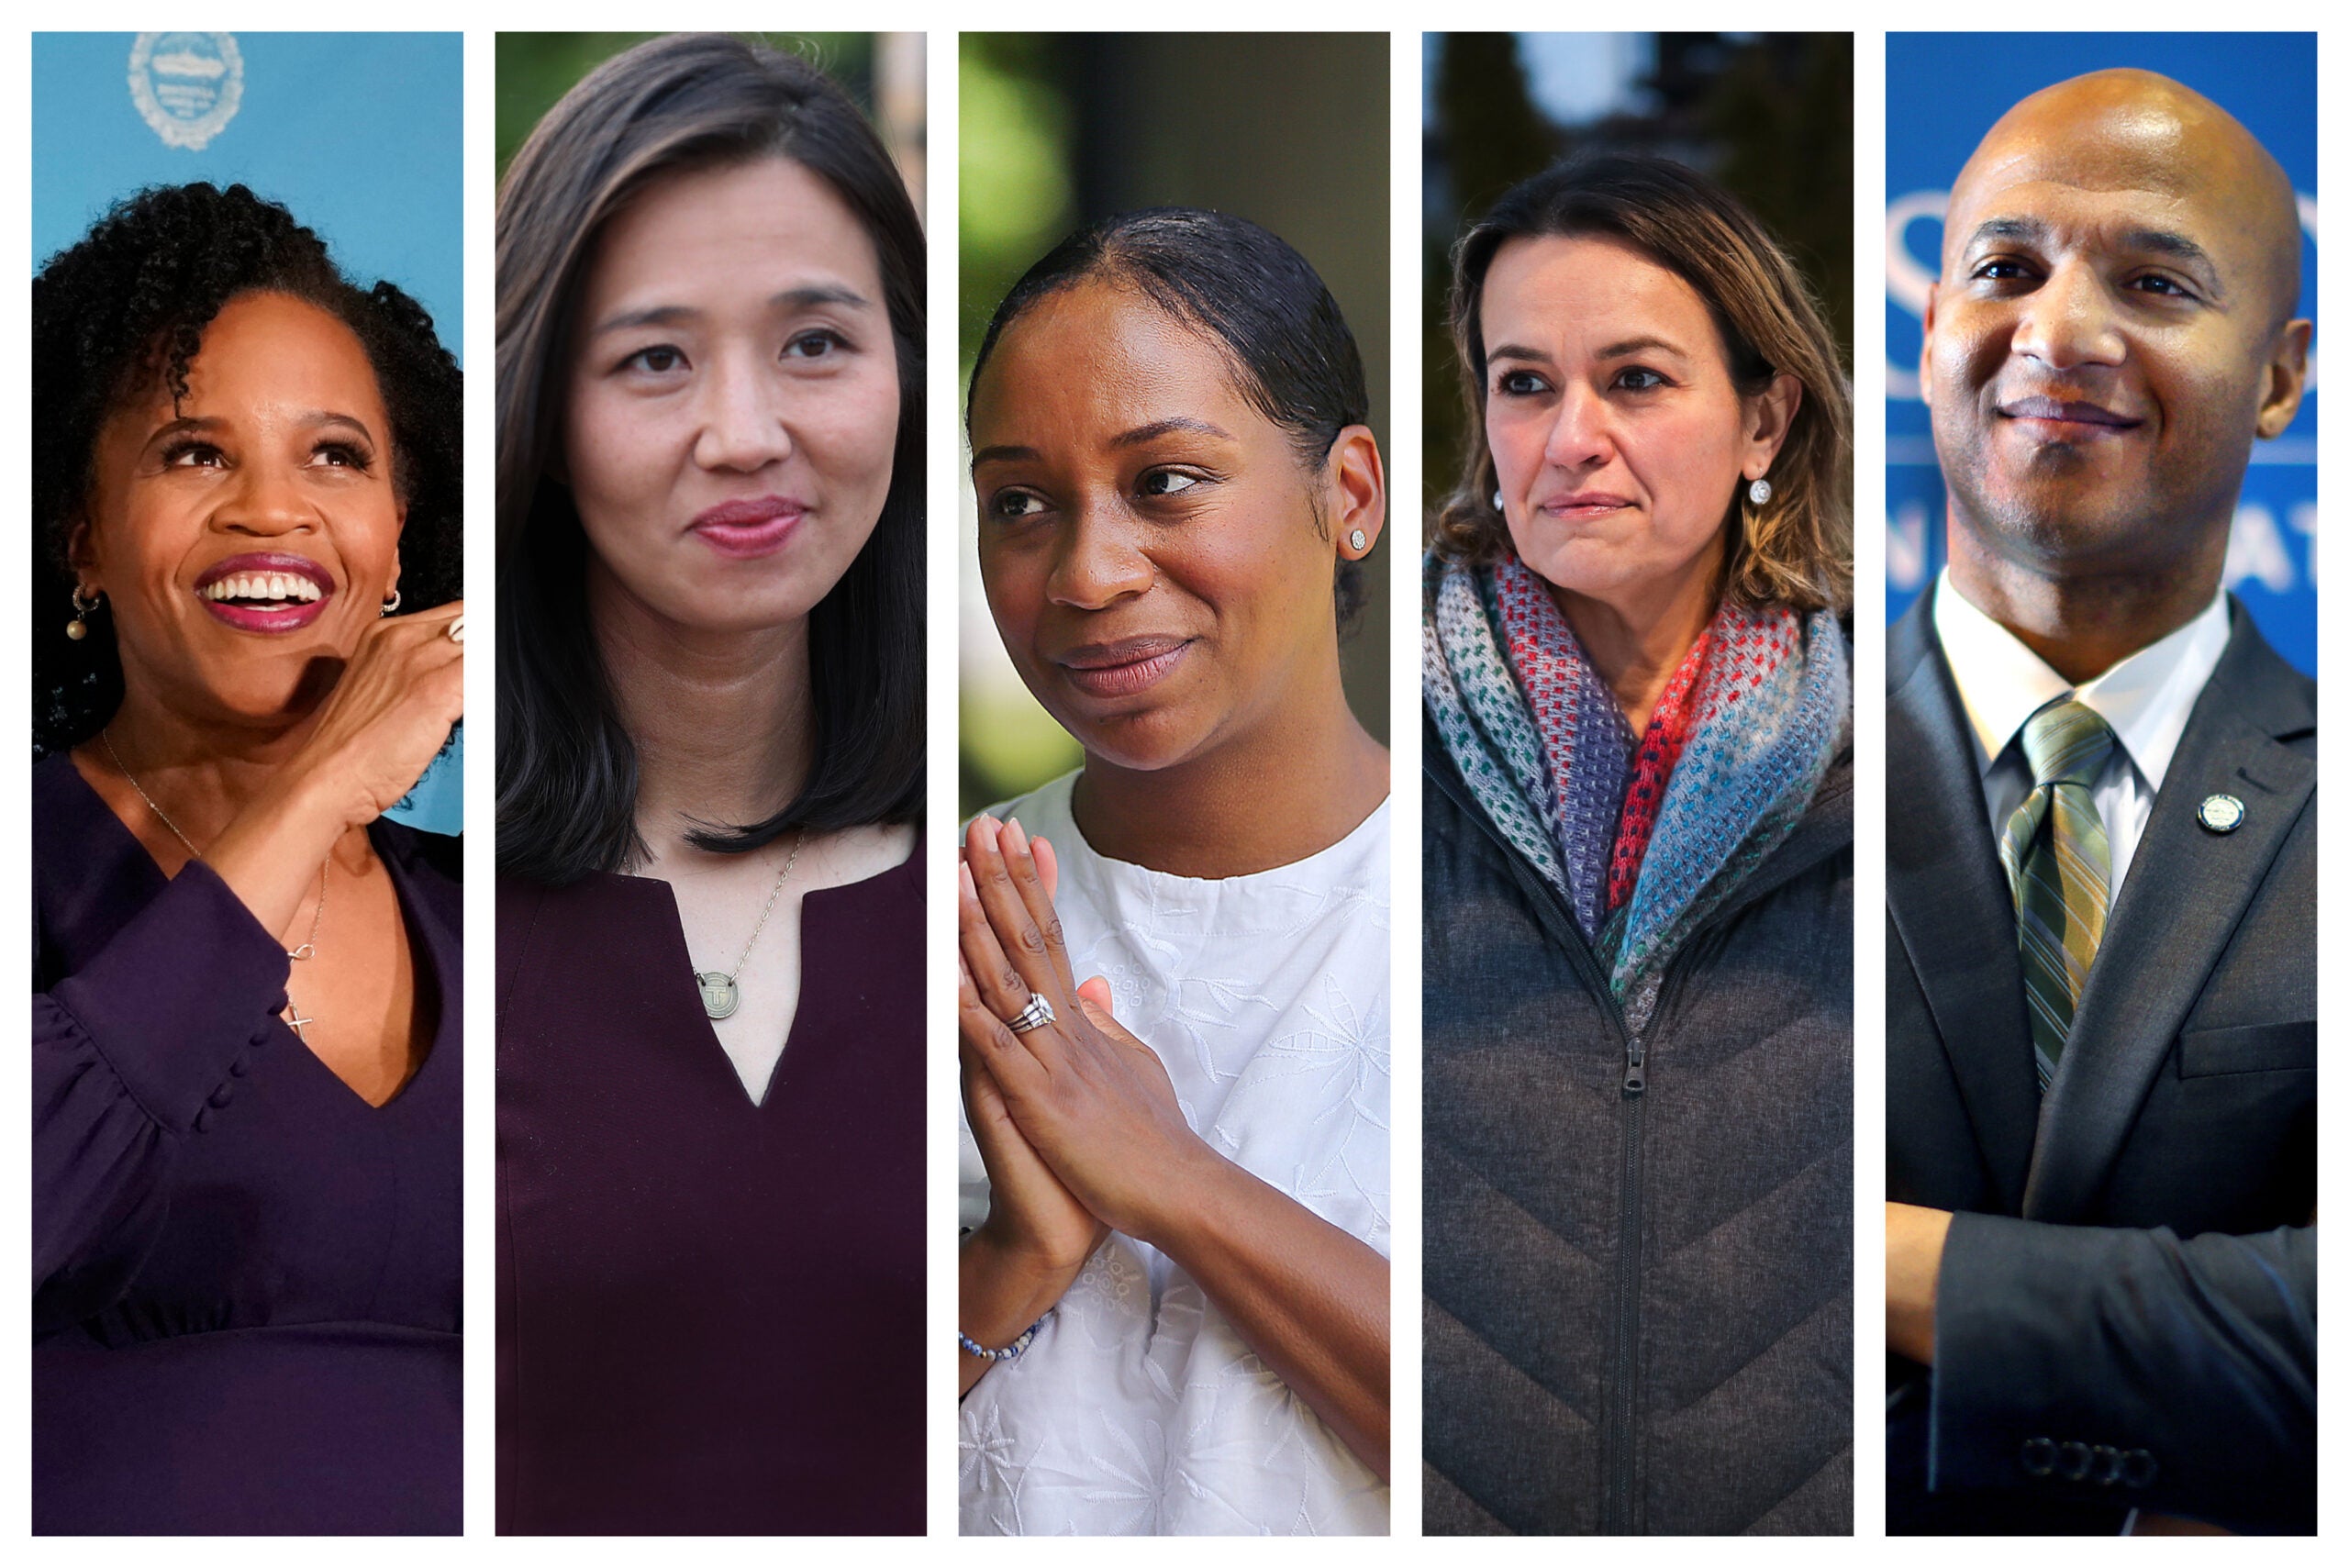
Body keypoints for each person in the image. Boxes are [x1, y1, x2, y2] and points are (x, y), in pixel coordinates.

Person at [493, 34, 925, 1534]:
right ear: (542, 413)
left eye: (816, 342)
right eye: (655, 358)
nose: (747, 436)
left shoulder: (1014, 900)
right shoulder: (399, 897)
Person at [1885, 68, 2314, 1536]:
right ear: (1934, 327)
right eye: (2004, 269)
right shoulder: (1722, 784)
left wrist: (1873, 1260)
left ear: (2278, 375)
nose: (2058, 334)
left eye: (2151, 279)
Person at [1421, 154, 1854, 1535]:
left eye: (1640, 380)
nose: (1570, 438)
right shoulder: (1371, 752)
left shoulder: (1893, 766)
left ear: (1765, 419)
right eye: (1525, 381)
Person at [31, 182, 464, 1534]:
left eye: (335, 455)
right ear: (79, 536)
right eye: (191, 454)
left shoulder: (497, 921)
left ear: (400, 534)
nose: (271, 512)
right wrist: (323, 782)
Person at [956, 208, 1391, 1535]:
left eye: (1168, 481)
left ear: (1351, 496)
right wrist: (1014, 1255)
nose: (1086, 572)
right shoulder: (936, 917)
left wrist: (1171, 1178)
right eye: (1020, 503)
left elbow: (1571, 1456)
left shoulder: (1503, 917)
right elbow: (766, 1488)